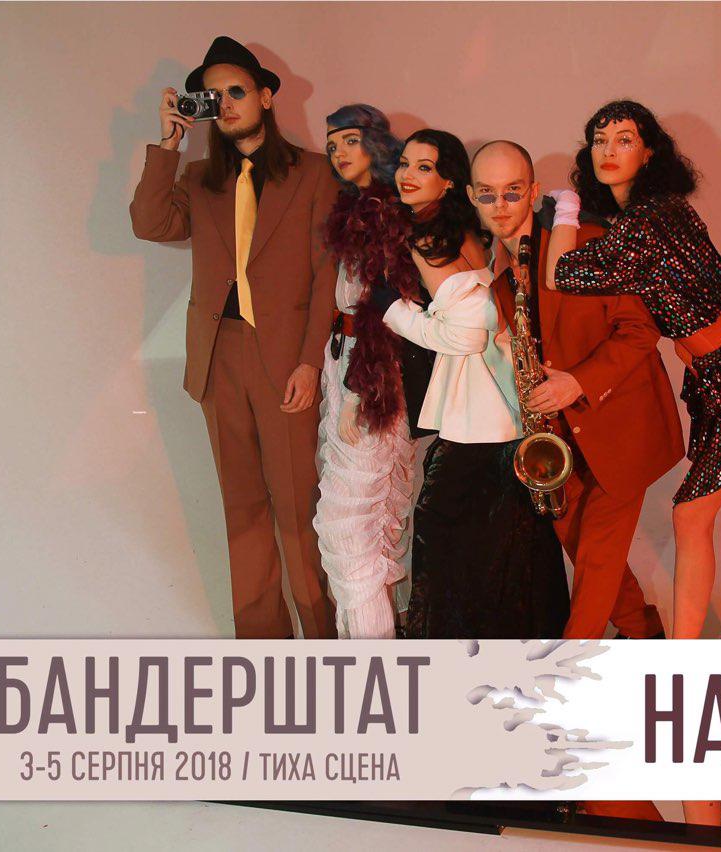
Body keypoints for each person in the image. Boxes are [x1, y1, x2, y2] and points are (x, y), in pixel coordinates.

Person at [549, 98, 721, 828]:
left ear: (650, 152)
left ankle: (691, 661)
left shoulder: (647, 222)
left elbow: (565, 272)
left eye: (624, 139)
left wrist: (564, 208)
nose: (608, 150)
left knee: (693, 514)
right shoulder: (651, 220)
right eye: (598, 139)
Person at [129, 36, 339, 639]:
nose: (224, 103)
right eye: (212, 95)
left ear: (266, 97)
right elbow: (149, 223)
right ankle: (261, 648)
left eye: (236, 91)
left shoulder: (313, 173)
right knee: (242, 509)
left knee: (297, 507)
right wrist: (169, 145)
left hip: (285, 359)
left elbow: (326, 273)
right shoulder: (200, 179)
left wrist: (309, 362)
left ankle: (324, 644)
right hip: (218, 354)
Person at [469, 141, 681, 642]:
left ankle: (567, 669)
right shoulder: (497, 276)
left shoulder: (587, 244)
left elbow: (640, 330)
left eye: (512, 192)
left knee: (596, 557)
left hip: (621, 427)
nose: (500, 206)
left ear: (534, 192)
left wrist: (578, 382)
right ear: (473, 199)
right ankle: (645, 634)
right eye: (487, 194)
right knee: (586, 550)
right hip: (559, 439)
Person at [384, 129, 569, 639]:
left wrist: (391, 310)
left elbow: (464, 336)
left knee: (448, 533)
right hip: (509, 405)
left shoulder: (428, 238)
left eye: (424, 167)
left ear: (450, 182)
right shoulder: (472, 232)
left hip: (482, 411)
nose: (407, 175)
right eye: (404, 163)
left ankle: (458, 654)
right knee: (513, 536)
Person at [316, 103, 429, 638]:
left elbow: (384, 313)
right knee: (365, 524)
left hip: (371, 373)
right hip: (344, 362)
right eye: (332, 143)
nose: (338, 151)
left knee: (350, 526)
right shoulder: (359, 209)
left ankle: (373, 663)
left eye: (350, 139)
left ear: (376, 143)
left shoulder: (385, 213)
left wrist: (360, 393)